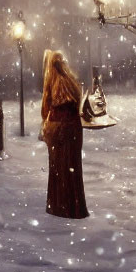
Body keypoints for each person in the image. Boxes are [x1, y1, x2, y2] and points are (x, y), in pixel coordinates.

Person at [40, 49, 89, 219]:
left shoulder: (53, 82)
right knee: (71, 170)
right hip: (72, 130)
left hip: (59, 131)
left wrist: (48, 127)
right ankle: (73, 207)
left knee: (59, 171)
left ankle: (60, 206)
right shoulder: (71, 82)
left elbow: (47, 109)